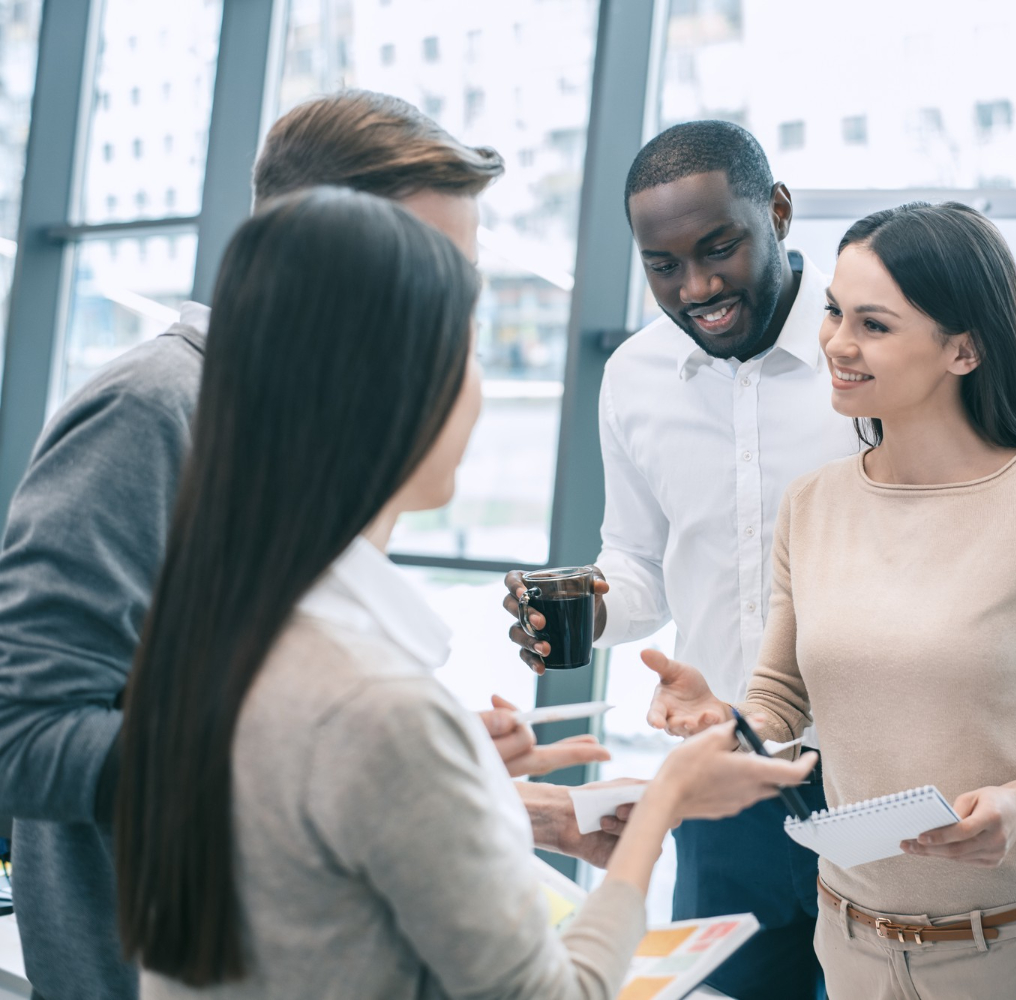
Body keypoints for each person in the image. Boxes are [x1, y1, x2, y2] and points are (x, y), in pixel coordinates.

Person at [111, 185, 817, 999]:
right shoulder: (374, 702)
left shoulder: (221, 634)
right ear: (403, 395)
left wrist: (481, 791)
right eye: (469, 351)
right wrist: (662, 808)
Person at [0, 91, 616, 1000]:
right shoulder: (157, 406)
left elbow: (260, 708)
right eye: (424, 279)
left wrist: (402, 765)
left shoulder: (311, 424)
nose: (439, 331)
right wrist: (342, 757)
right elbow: (21, 730)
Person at [644, 202, 1016, 999]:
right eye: (834, 311)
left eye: (874, 324)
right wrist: (723, 722)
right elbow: (782, 694)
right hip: (852, 949)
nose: (835, 342)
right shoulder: (814, 504)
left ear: (963, 349)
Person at [503, 120, 856, 1000]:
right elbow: (638, 566)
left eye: (719, 248)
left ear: (777, 212)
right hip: (724, 775)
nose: (697, 288)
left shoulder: (863, 351)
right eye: (663, 266)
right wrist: (583, 606)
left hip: (877, 765)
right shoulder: (633, 377)